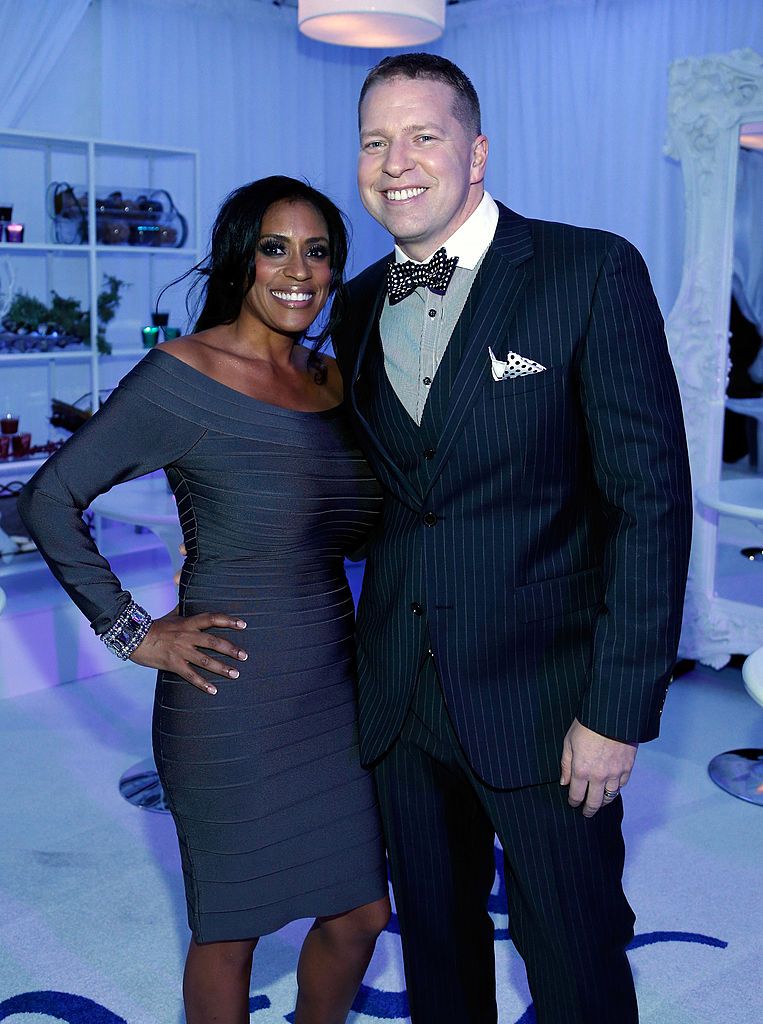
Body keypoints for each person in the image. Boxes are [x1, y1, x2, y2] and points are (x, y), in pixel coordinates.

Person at [332, 53, 693, 1024]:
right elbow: (387, 494)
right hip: (402, 697)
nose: (394, 161)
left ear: (476, 151)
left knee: (572, 954)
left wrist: (615, 709)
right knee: (439, 956)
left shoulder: (588, 268)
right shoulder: (357, 301)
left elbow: (649, 501)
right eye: (374, 140)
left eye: (422, 135)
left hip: (548, 705)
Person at [19, 175, 390, 1024]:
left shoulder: (334, 381)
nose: (297, 270)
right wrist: (133, 632)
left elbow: (358, 525)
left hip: (332, 688)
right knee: (230, 930)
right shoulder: (181, 375)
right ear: (240, 260)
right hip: (227, 694)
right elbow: (50, 497)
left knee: (361, 914)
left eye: (318, 251)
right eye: (274, 247)